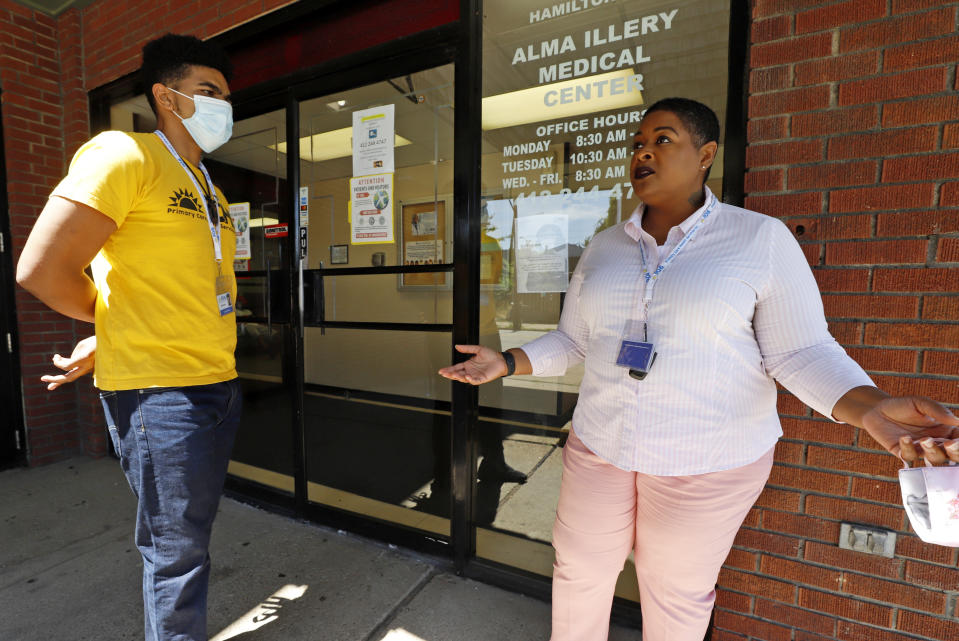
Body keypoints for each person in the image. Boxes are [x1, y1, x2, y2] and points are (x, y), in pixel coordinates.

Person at [439, 97, 959, 641]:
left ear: (706, 154)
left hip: (707, 460)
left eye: (662, 140)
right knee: (577, 572)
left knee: (674, 594)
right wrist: (509, 362)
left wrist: (870, 408)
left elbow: (798, 351)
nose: (643, 152)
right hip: (602, 444)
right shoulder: (604, 248)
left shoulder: (759, 238)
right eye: (637, 144)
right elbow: (576, 339)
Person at [16, 34, 239, 641]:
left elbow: (168, 288)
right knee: (176, 555)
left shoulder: (209, 188)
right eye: (207, 91)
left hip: (218, 385)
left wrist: (115, 326)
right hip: (161, 396)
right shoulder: (126, 153)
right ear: (167, 97)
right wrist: (109, 328)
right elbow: (41, 269)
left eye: (226, 94)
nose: (223, 104)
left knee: (190, 538)